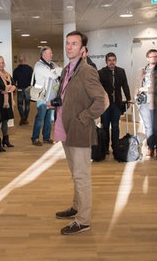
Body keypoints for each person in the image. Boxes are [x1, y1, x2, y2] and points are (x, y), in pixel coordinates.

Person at [53, 30, 108, 235]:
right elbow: (69, 95)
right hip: (65, 128)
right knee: (74, 174)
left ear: (83, 48)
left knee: (81, 176)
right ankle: (76, 207)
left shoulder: (87, 71)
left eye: (74, 44)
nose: (69, 47)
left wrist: (83, 117)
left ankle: (83, 220)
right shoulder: (67, 69)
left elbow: (100, 101)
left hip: (79, 130)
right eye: (67, 43)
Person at [137, 49, 157, 160]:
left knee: (156, 128)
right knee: (148, 128)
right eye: (151, 57)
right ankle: (150, 148)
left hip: (156, 103)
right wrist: (137, 98)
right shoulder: (143, 70)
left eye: (156, 56)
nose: (154, 59)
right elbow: (139, 86)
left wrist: (148, 89)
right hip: (144, 103)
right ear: (147, 58)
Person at [98, 52, 131, 152]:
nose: (112, 62)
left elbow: (125, 85)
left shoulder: (121, 71)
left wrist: (128, 99)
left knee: (116, 126)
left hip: (117, 104)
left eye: (113, 60)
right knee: (105, 126)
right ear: (106, 62)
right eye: (109, 60)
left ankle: (115, 147)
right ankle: (106, 147)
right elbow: (98, 88)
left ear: (116, 61)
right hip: (105, 105)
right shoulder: (101, 72)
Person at [31, 47, 61, 146]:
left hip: (51, 95)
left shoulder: (52, 64)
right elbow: (54, 76)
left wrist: (55, 71)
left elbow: (61, 71)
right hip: (42, 96)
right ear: (44, 55)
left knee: (49, 118)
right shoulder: (38, 65)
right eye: (50, 53)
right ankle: (35, 138)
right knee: (40, 117)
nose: (52, 55)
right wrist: (54, 72)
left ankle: (46, 138)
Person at [0, 55, 16, 152]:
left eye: (2, 63)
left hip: (7, 101)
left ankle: (6, 140)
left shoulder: (7, 74)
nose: (1, 65)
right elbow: (1, 87)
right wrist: (9, 88)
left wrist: (8, 89)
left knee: (5, 120)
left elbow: (14, 85)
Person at [13, 54, 33, 125]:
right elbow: (33, 80)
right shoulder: (30, 69)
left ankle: (23, 118)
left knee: (20, 105)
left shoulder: (16, 70)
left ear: (19, 61)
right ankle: (25, 119)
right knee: (27, 105)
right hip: (28, 88)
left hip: (20, 89)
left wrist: (14, 89)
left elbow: (14, 82)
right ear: (25, 60)